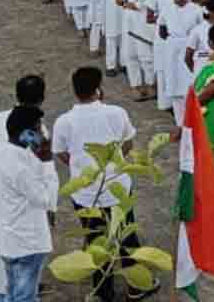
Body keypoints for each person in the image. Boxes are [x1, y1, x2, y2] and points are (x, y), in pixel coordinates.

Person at [51, 67, 153, 302]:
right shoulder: (116, 113)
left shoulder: (64, 121)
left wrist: (81, 166)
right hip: (117, 187)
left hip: (86, 193)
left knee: (95, 240)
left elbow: (62, 154)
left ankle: (102, 292)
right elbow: (127, 143)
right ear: (98, 89)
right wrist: (113, 162)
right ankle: (135, 287)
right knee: (127, 237)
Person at [0, 105, 58, 302]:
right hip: (27, 243)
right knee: (23, 297)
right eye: (39, 129)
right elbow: (48, 200)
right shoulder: (19, 167)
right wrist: (48, 162)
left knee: (8, 291)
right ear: (27, 134)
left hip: (8, 239)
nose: (43, 134)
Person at [157, 0, 205, 126]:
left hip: (189, 47)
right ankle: (180, 122)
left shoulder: (196, 9)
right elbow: (162, 30)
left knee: (189, 82)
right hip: (172, 48)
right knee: (174, 82)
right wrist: (173, 41)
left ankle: (192, 119)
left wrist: (191, 44)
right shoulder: (166, 8)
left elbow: (201, 31)